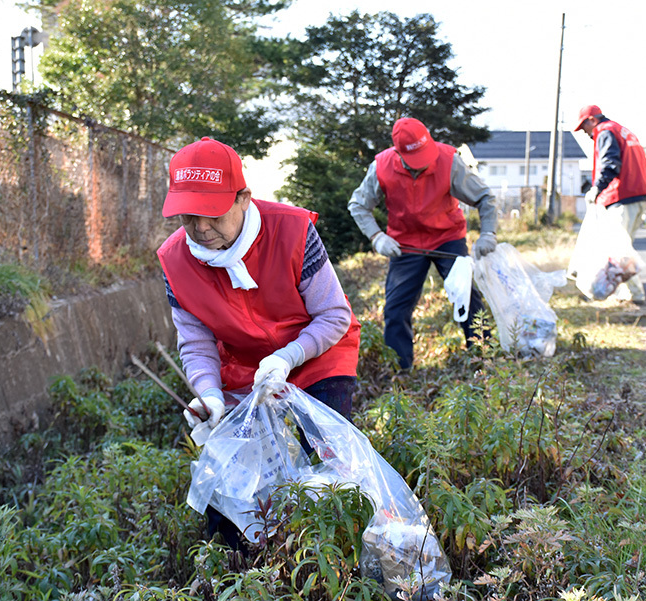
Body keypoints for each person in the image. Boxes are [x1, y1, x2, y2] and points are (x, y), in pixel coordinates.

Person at [156, 137, 361, 549]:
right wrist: (210, 396)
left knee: (326, 466)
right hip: (245, 371)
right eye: (188, 216)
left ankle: (331, 559)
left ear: (243, 198)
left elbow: (334, 315)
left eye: (212, 214)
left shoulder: (292, 230)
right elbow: (196, 343)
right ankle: (243, 572)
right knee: (228, 488)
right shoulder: (175, 260)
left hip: (316, 356)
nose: (200, 228)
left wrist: (288, 357)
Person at [347, 117, 498, 370]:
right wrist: (377, 237)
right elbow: (358, 205)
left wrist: (488, 233)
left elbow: (484, 197)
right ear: (398, 152)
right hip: (405, 244)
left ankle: (484, 362)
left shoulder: (449, 161)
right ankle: (399, 370)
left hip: (447, 238)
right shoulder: (382, 166)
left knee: (467, 299)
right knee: (396, 309)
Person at [575, 105, 646, 304]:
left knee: (619, 251)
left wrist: (597, 187)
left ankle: (634, 296)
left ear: (592, 120)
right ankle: (626, 294)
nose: (586, 133)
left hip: (622, 196)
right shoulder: (621, 130)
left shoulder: (605, 131)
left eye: (584, 128)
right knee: (622, 249)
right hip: (639, 194)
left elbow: (610, 163)